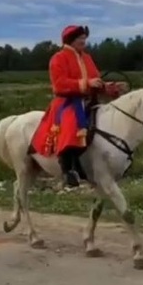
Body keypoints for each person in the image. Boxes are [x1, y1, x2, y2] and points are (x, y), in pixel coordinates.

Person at [30, 25, 127, 188]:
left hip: (89, 100)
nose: (84, 41)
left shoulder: (87, 58)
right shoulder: (58, 58)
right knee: (71, 125)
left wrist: (109, 86)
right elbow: (59, 84)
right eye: (80, 39)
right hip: (66, 102)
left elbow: (95, 79)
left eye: (84, 38)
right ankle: (68, 168)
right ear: (71, 40)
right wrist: (85, 83)